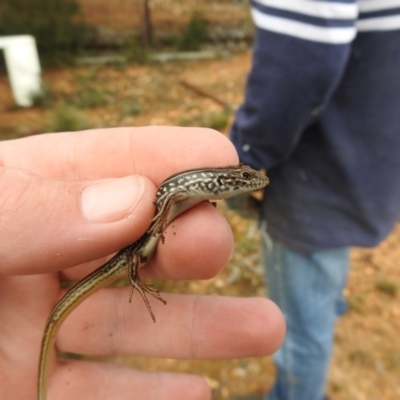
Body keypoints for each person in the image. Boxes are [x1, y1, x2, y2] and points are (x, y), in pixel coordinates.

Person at [0, 126, 285, 400]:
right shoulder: (208, 181)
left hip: (140, 245)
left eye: (248, 178)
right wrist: (161, 220)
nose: (252, 181)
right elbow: (172, 195)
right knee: (142, 254)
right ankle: (134, 279)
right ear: (229, 181)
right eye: (246, 178)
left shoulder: (210, 186)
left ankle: (134, 278)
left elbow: (185, 196)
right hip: (133, 251)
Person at [230, 1, 400, 400]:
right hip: (367, 166)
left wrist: (241, 161)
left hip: (313, 186)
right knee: (322, 281)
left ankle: (297, 393)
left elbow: (299, 66)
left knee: (301, 331)